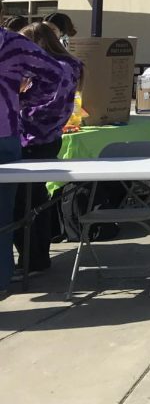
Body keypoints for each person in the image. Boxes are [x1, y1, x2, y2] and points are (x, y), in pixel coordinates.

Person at [0, 28, 66, 295]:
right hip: (5, 132)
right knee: (3, 215)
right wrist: (22, 99)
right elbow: (54, 74)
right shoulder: (14, 43)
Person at [15, 22, 83, 274]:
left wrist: (16, 99)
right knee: (35, 200)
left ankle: (32, 258)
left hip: (32, 139)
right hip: (48, 137)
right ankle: (36, 256)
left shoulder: (51, 71)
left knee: (24, 203)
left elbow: (40, 105)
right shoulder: (70, 66)